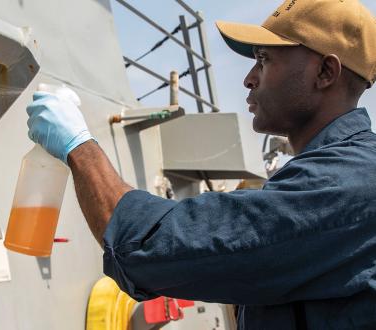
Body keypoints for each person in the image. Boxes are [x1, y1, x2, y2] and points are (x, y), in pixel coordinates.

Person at [25, 0, 376, 328]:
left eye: (264, 59)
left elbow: (150, 248)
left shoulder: (345, 184)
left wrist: (78, 146)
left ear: (326, 72)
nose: (249, 78)